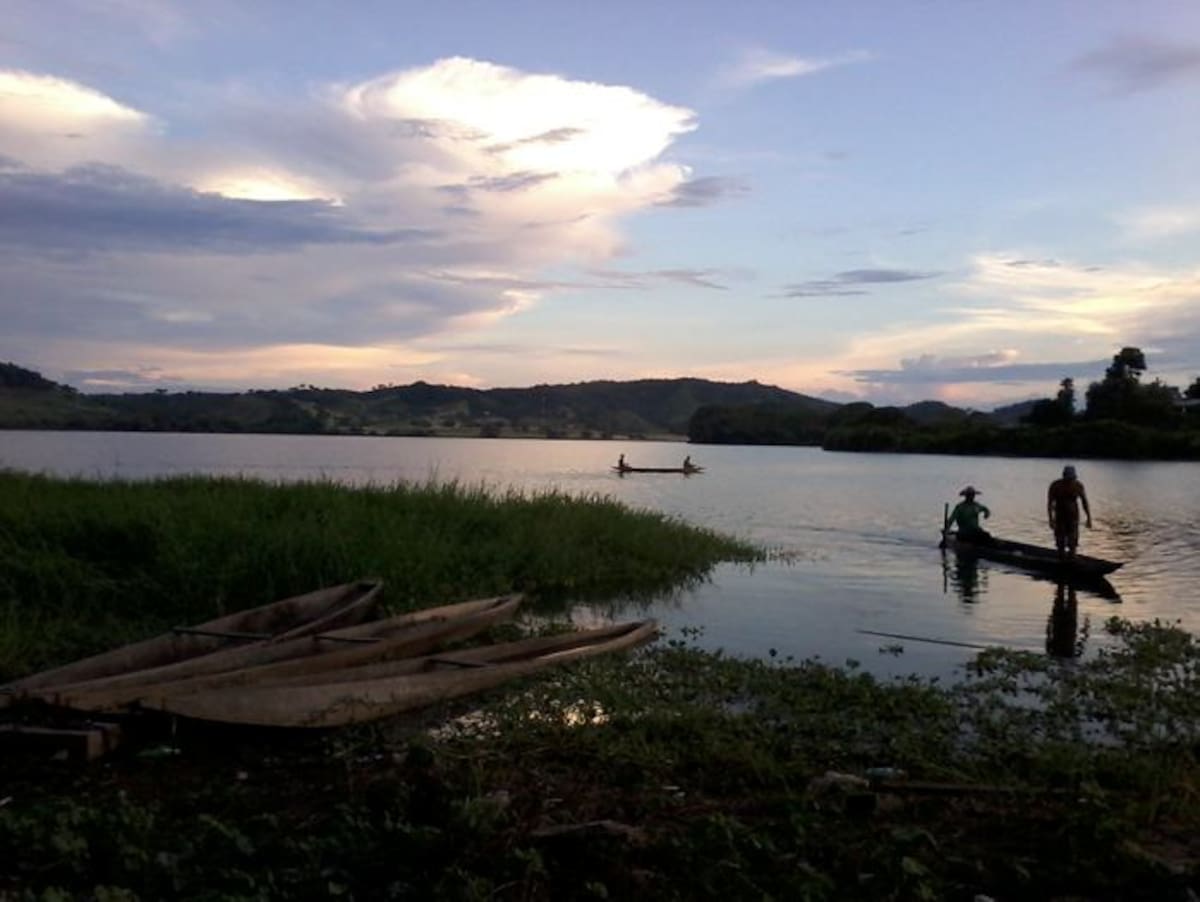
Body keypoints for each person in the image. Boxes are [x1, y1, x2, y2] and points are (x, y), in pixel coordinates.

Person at [1047, 465, 1091, 560]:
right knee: (1060, 542)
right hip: (1060, 517)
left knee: (1073, 543)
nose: (1070, 481)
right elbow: (1050, 503)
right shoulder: (1055, 486)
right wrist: (1050, 519)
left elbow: (1084, 502)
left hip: (1073, 518)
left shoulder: (1078, 486)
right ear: (1064, 476)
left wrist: (1089, 518)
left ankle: (1072, 558)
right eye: (1068, 478)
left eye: (1071, 478)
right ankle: (1061, 559)